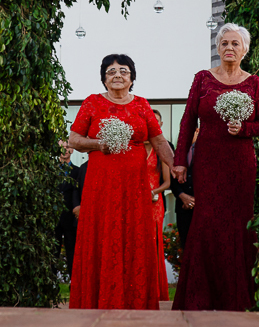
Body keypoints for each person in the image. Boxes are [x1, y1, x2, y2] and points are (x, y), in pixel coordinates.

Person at [171, 23, 259, 311]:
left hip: (240, 163)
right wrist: (180, 162)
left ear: (245, 50)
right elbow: (188, 120)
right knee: (207, 222)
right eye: (224, 43)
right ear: (217, 49)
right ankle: (199, 297)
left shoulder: (254, 83)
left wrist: (243, 130)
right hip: (207, 162)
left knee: (239, 223)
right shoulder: (203, 79)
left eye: (235, 44)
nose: (229, 48)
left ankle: (238, 298)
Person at [67, 54, 174, 310]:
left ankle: (134, 299)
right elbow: (73, 139)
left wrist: (176, 166)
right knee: (102, 235)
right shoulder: (92, 103)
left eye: (123, 71)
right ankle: (97, 299)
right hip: (100, 184)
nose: (117, 75)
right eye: (111, 71)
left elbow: (158, 141)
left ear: (132, 78)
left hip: (134, 185)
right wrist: (97, 144)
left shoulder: (141, 105)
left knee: (134, 235)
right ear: (104, 78)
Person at [145, 110, 172, 302]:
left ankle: (155, 290)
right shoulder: (134, 147)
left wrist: (153, 192)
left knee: (153, 245)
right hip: (134, 201)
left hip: (154, 203)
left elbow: (168, 182)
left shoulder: (161, 149)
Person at [54, 141, 83, 279]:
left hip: (71, 219)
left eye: (67, 147)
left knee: (72, 252)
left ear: (72, 150)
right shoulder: (50, 170)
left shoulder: (78, 171)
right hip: (53, 218)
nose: (65, 150)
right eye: (62, 147)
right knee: (53, 251)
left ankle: (74, 282)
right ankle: (51, 281)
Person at [169, 125, 198, 249]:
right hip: (182, 207)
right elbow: (172, 179)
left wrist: (196, 200)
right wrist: (182, 196)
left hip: (201, 207)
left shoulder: (208, 151)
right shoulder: (176, 153)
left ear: (197, 131)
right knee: (185, 246)